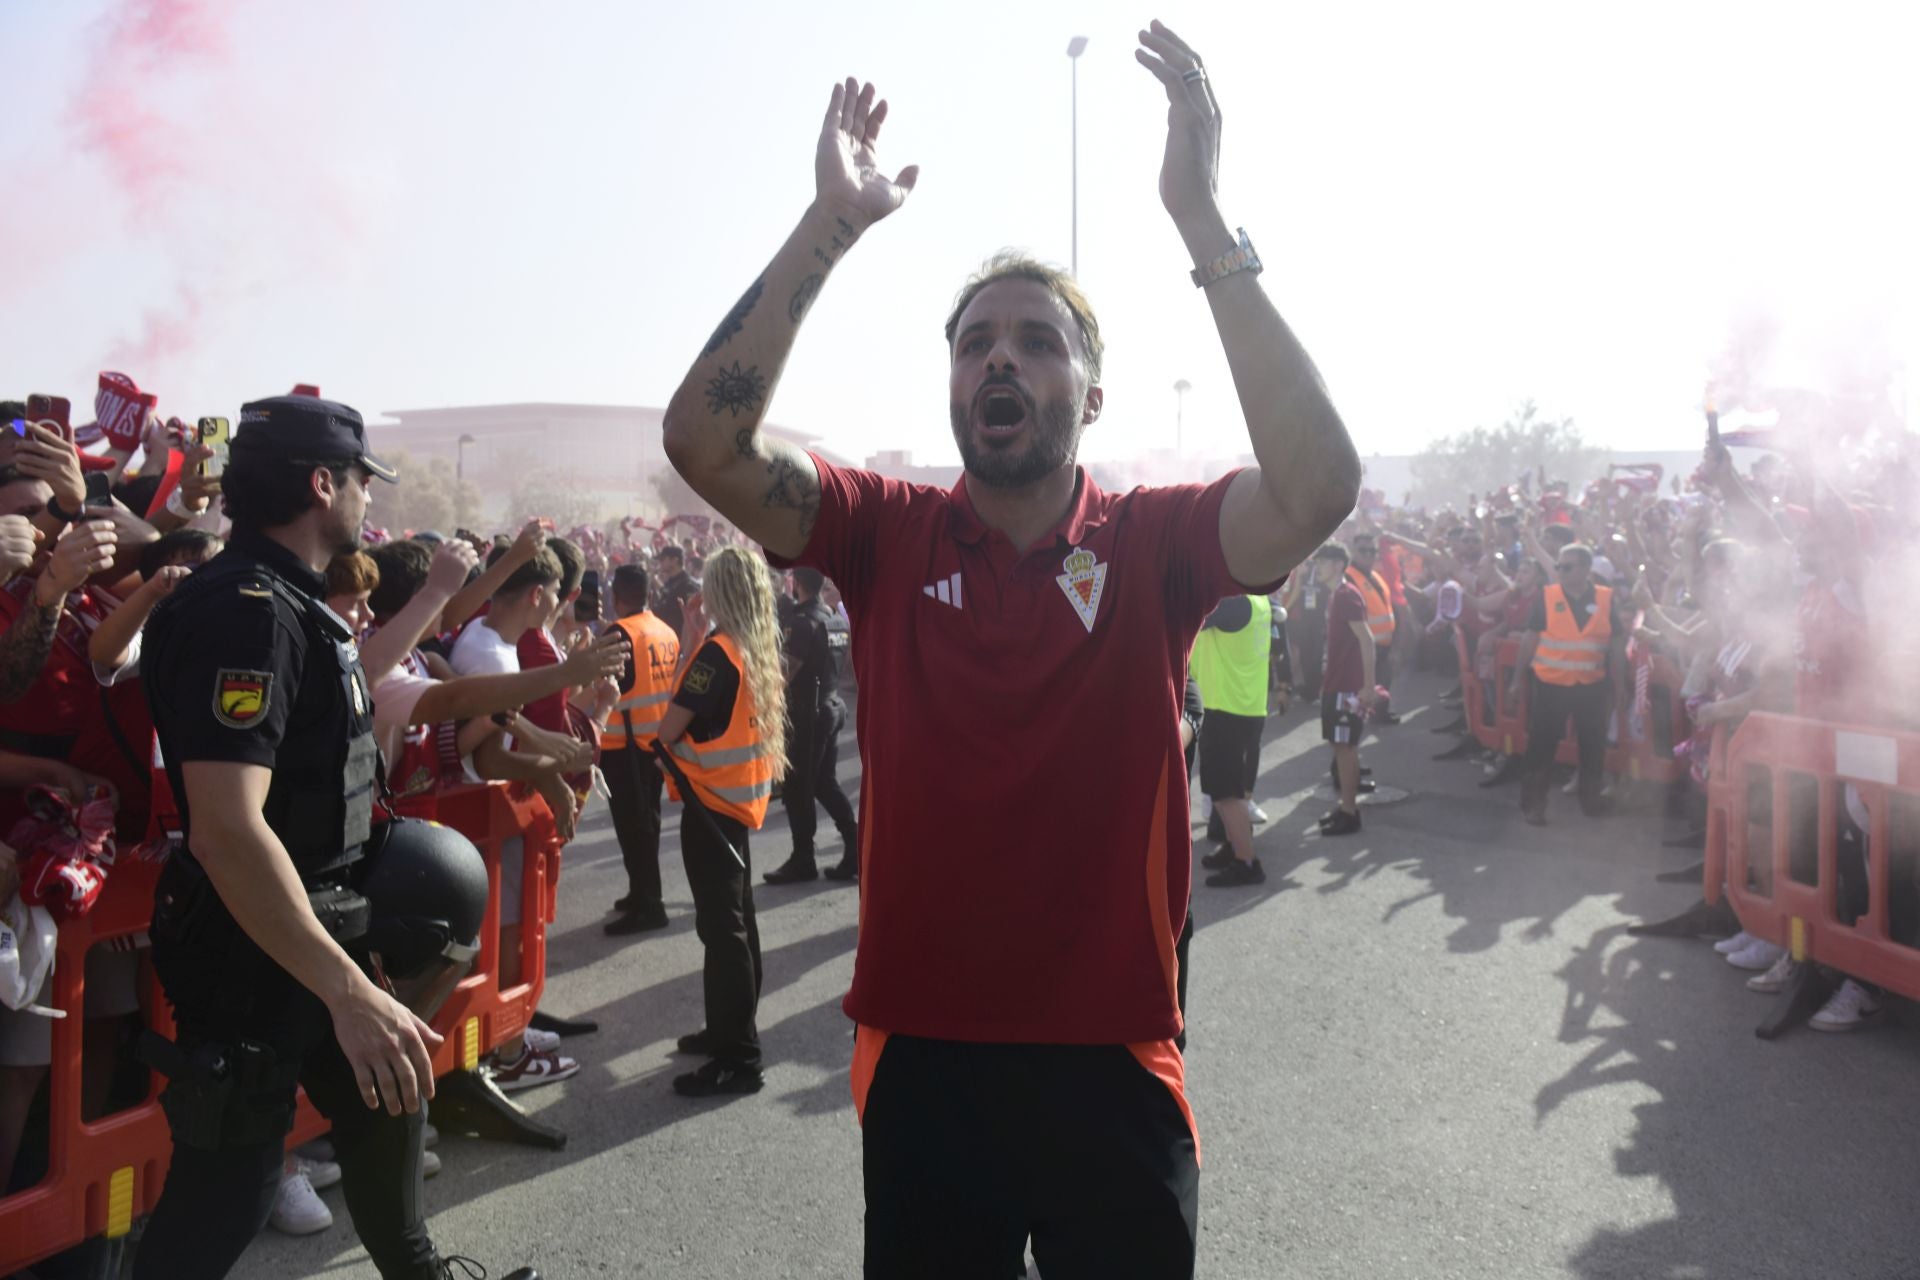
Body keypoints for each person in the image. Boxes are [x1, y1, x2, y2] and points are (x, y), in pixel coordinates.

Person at [655, 25, 1358, 1272]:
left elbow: (1316, 485)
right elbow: (706, 446)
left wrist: (1200, 217)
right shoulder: (884, 532)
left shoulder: (1157, 543)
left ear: (1093, 395)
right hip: (929, 1061)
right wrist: (830, 225)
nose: (1001, 358)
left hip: (1115, 1056)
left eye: (1039, 341)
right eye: (977, 340)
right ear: (952, 388)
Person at [132, 395, 535, 1280]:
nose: (366, 498)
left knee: (385, 1108)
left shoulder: (287, 604)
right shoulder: (247, 612)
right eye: (359, 479)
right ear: (323, 485)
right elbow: (230, 832)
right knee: (228, 1189)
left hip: (317, 932)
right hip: (255, 951)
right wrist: (349, 996)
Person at [657, 547, 786, 1097]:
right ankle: (731, 1032)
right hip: (736, 807)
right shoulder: (752, 648)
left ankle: (738, 1056)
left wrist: (693, 642)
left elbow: (667, 728)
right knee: (737, 924)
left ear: (719, 591)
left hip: (710, 807)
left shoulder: (718, 654)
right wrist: (692, 634)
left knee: (723, 931)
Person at [1509, 543, 1629, 826]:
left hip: (1591, 687)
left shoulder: (1605, 598)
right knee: (1541, 747)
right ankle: (1533, 805)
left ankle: (1591, 801)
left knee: (1592, 746)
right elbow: (1530, 638)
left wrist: (1620, 684)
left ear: (1586, 569)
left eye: (1567, 566)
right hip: (1551, 686)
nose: (1560, 571)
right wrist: (1517, 679)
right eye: (1559, 566)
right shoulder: (1547, 596)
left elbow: (1616, 642)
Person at [763, 565, 860, 884]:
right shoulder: (833, 617)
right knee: (823, 783)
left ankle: (803, 857)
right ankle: (854, 845)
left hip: (808, 712)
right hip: (831, 705)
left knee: (797, 788)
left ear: (797, 583)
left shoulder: (802, 622)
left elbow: (784, 673)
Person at [599, 563, 681, 935]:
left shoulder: (620, 632)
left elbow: (605, 684)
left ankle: (651, 905)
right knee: (645, 826)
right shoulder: (664, 630)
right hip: (654, 745)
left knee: (636, 829)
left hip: (626, 746)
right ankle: (641, 892)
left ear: (616, 597)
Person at [1191, 593, 1271, 886]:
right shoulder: (1258, 597)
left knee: (1226, 793)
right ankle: (1233, 845)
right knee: (1222, 789)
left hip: (1227, 706)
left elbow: (1190, 619)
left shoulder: (1233, 601)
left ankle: (1246, 861)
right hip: (1243, 703)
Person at [1315, 543, 1375, 835]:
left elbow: (1367, 640)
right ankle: (1345, 807)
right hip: (1336, 684)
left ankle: (1350, 812)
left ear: (1338, 564)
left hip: (1346, 688)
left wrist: (1367, 685)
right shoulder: (1337, 595)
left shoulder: (1346, 596)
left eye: (1323, 562)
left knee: (1345, 748)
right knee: (1341, 748)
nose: (1318, 567)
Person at [1347, 532, 1398, 722]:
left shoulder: (1375, 575)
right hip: (1363, 645)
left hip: (1383, 643)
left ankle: (1380, 714)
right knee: (1360, 689)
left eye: (1372, 550)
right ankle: (1352, 726)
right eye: (1363, 550)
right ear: (1352, 550)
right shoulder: (1349, 577)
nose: (1369, 554)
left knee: (1382, 683)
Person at [652, 544, 699, 637]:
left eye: (663, 559)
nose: (660, 563)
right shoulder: (670, 582)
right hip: (665, 637)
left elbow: (693, 620)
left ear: (674, 560)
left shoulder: (689, 586)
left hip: (680, 641)